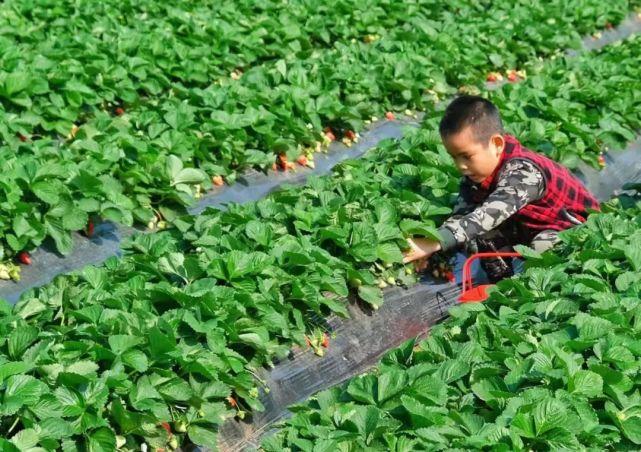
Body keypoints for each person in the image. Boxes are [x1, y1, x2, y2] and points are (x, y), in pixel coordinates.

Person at [403, 95, 600, 282]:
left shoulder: (523, 172)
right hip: (526, 230)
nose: (460, 165)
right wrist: (433, 248)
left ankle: (545, 287)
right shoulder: (474, 177)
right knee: (477, 237)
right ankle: (501, 285)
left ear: (496, 143)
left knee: (542, 247)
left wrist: (438, 241)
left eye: (466, 156)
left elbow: (490, 214)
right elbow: (462, 215)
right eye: (454, 157)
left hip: (573, 232)